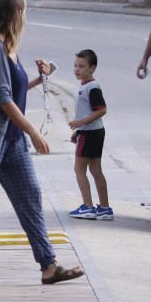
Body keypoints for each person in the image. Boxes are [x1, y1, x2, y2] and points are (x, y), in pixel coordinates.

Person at [0, 0, 83, 285]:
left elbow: (13, 88)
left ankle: (49, 265)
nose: (26, 18)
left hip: (11, 141)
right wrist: (33, 131)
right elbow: (1, 97)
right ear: (14, 15)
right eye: (24, 12)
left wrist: (39, 78)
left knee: (30, 195)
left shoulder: (9, 49)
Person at [67, 49, 112, 220]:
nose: (77, 69)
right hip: (92, 132)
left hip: (90, 134)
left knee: (79, 169)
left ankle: (87, 206)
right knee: (95, 170)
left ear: (92, 68)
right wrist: (78, 130)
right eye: (75, 66)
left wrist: (79, 124)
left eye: (81, 66)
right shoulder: (86, 86)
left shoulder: (92, 87)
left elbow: (101, 110)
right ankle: (104, 208)